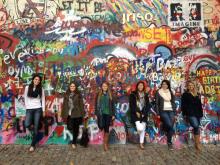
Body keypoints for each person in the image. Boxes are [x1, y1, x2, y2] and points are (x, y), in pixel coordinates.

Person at [24, 73, 45, 152]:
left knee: (36, 128)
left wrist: (43, 110)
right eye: (36, 79)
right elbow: (25, 98)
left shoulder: (41, 89)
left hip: (37, 109)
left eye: (38, 80)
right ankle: (33, 123)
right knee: (27, 124)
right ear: (33, 80)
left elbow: (43, 99)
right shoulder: (27, 87)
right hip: (29, 109)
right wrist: (27, 107)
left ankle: (33, 145)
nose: (37, 81)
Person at [61, 82, 85, 149]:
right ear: (69, 87)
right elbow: (64, 105)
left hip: (77, 114)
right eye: (71, 86)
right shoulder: (66, 94)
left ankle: (74, 142)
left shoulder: (78, 94)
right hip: (69, 113)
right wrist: (63, 114)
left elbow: (81, 105)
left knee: (75, 129)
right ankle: (74, 141)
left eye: (73, 86)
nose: (72, 87)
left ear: (75, 87)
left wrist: (82, 114)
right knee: (69, 127)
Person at [181, 81, 203, 151]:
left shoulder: (197, 94)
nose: (191, 86)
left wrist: (201, 114)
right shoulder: (185, 94)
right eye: (189, 85)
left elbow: (199, 105)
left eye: (192, 85)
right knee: (196, 126)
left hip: (197, 113)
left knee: (197, 128)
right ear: (187, 87)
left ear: (194, 86)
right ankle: (197, 143)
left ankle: (197, 143)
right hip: (190, 113)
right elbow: (183, 105)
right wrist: (184, 114)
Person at [155, 80, 176, 150]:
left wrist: (175, 112)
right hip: (163, 111)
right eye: (163, 84)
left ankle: (169, 143)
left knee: (170, 125)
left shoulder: (170, 92)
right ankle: (164, 127)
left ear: (168, 85)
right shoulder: (158, 92)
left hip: (171, 111)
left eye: (166, 84)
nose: (164, 85)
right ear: (161, 85)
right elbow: (157, 104)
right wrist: (158, 113)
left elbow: (173, 102)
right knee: (170, 125)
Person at [129, 81, 150, 149]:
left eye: (142, 85)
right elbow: (131, 105)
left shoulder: (146, 95)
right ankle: (137, 133)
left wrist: (144, 113)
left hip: (143, 114)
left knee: (143, 129)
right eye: (139, 85)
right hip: (136, 113)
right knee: (140, 128)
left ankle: (141, 143)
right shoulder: (133, 94)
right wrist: (136, 112)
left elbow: (147, 106)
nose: (140, 86)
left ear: (143, 87)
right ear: (137, 86)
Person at [95, 82, 115, 151]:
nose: (104, 87)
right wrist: (96, 114)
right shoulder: (99, 94)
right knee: (101, 126)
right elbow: (96, 105)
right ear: (101, 87)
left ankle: (105, 144)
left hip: (108, 114)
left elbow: (112, 105)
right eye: (103, 86)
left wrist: (113, 114)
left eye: (106, 86)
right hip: (101, 114)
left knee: (106, 128)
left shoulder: (110, 94)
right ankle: (104, 141)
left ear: (107, 87)